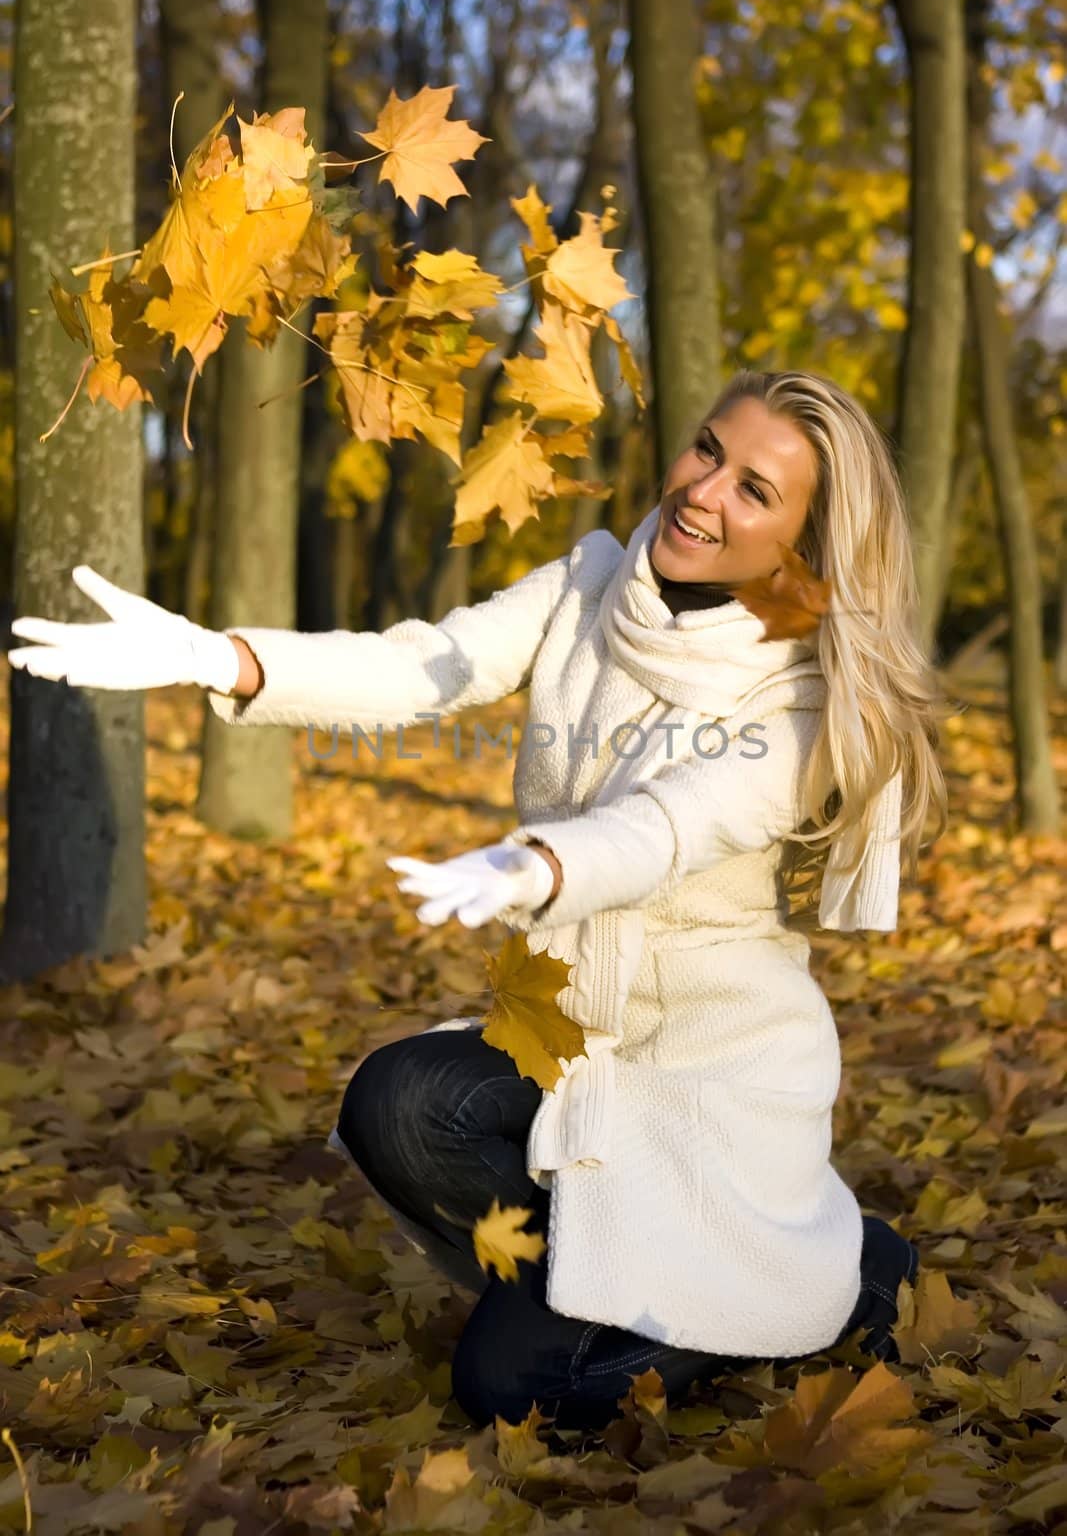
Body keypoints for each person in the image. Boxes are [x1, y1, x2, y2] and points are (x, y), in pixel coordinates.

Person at [9, 368, 948, 1432]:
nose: (701, 491)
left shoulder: (800, 699)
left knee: (510, 1393)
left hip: (707, 1074)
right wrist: (218, 659)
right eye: (705, 452)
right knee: (398, 1102)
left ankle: (834, 1281)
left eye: (753, 490)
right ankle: (618, 1272)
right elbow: (427, 667)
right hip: (578, 1040)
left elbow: (671, 824)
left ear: (802, 544)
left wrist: (539, 866)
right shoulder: (594, 583)